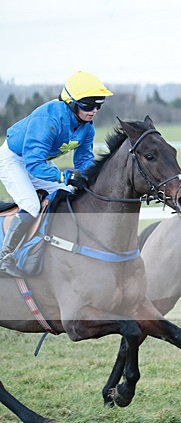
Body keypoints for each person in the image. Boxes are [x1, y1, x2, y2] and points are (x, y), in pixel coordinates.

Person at [0, 71, 112, 277]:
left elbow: (83, 161)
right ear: (71, 103)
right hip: (14, 160)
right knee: (31, 204)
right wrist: (65, 176)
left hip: (35, 162)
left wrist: (96, 178)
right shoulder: (48, 118)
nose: (94, 111)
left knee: (69, 194)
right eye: (88, 105)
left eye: (98, 105)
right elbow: (34, 164)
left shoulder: (87, 127)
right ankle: (5, 257)